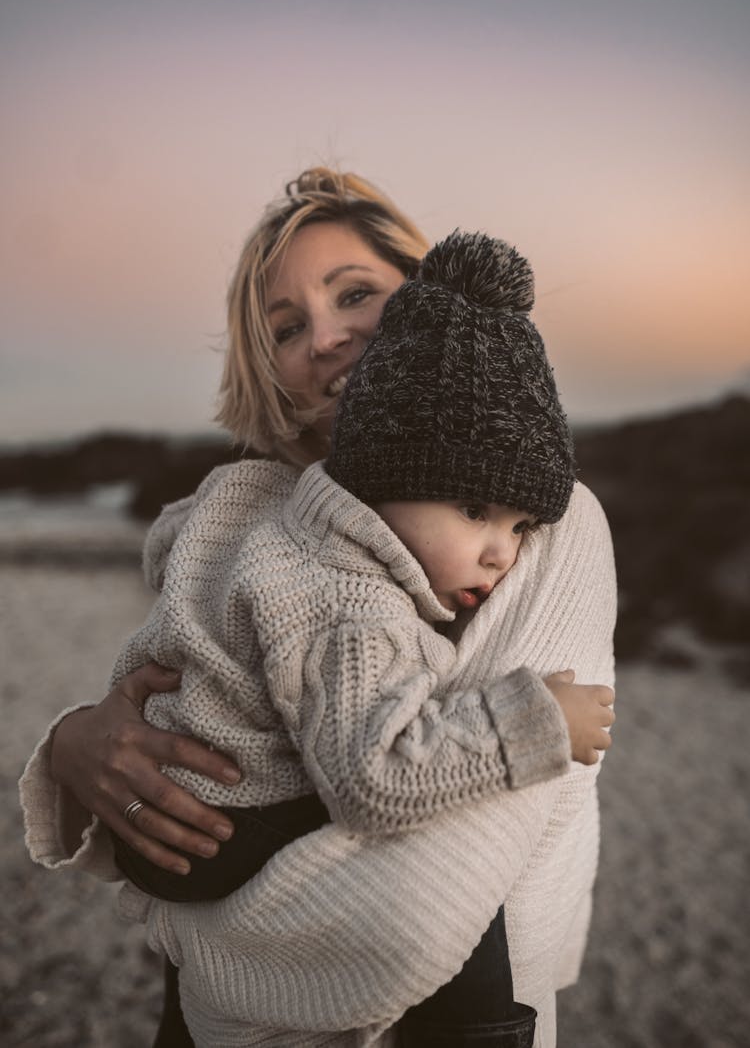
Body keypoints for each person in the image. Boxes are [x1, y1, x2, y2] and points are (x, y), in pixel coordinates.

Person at [20, 169, 617, 1047]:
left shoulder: (551, 521)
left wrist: (206, 927)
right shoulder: (278, 533)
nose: (328, 338)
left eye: (357, 294)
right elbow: (209, 698)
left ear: (431, 302)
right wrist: (76, 740)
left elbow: (433, 878)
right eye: (288, 327)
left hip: (429, 997)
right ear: (271, 370)